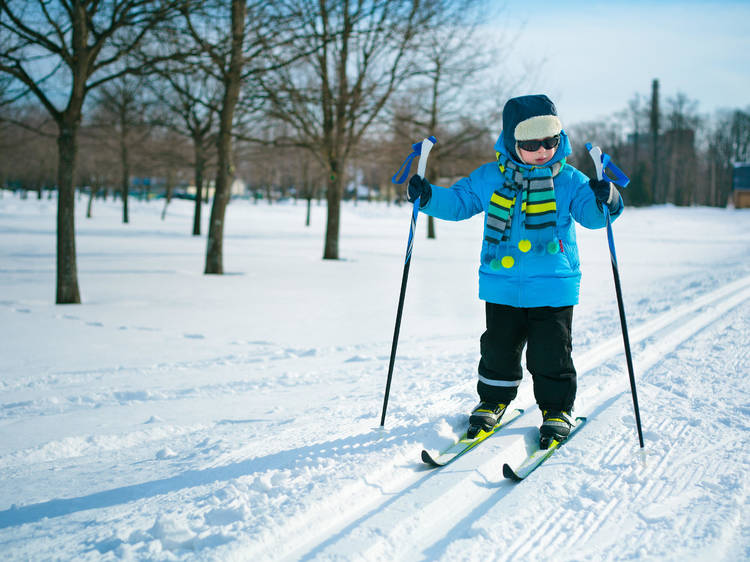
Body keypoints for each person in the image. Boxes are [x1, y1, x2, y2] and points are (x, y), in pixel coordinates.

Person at [407, 94, 623, 446]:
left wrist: (606, 197)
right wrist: (428, 196)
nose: (542, 150)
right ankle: (493, 400)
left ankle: (556, 409)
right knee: (498, 348)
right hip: (502, 284)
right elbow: (460, 202)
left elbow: (595, 217)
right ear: (512, 141)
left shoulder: (568, 179)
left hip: (552, 286)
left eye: (550, 141)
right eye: (531, 143)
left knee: (550, 353)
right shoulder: (491, 177)